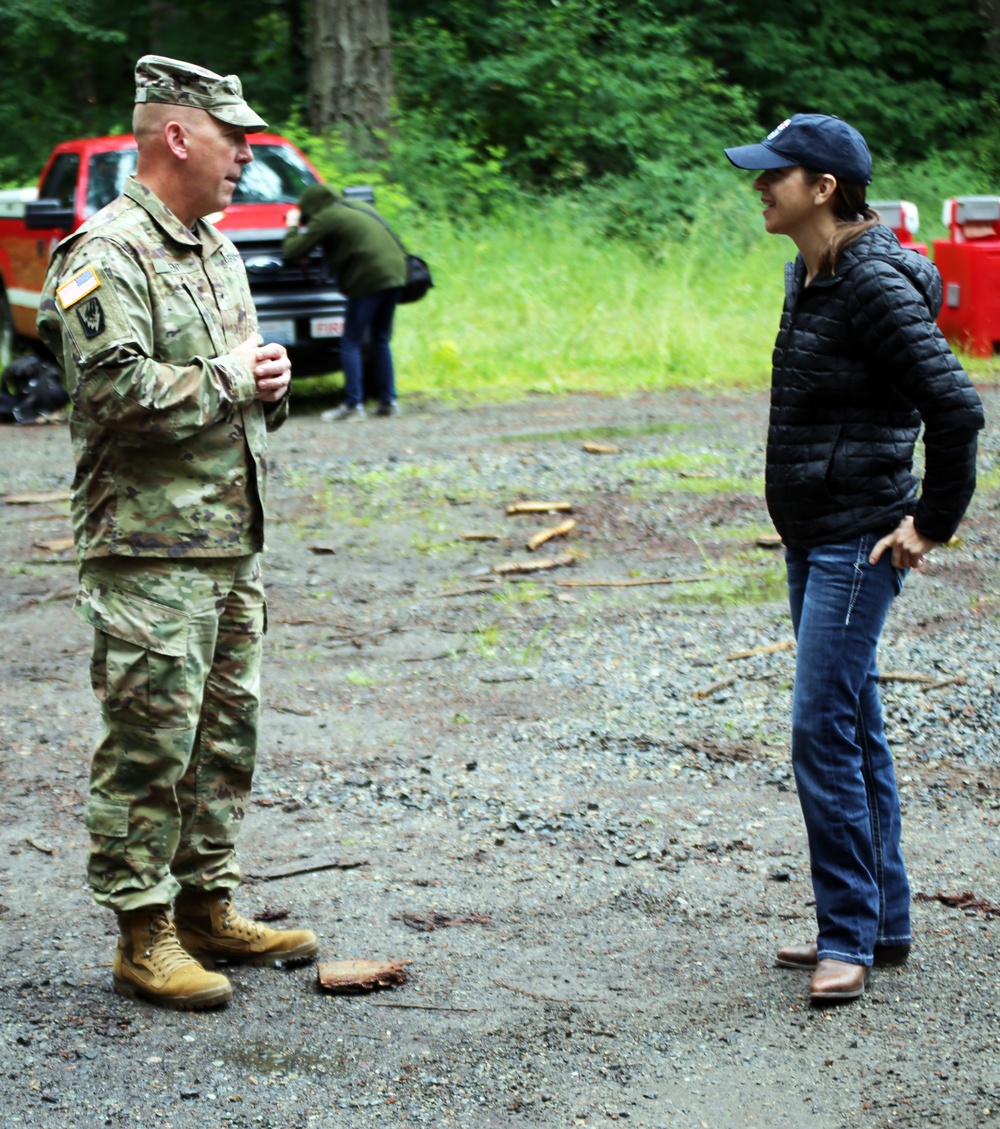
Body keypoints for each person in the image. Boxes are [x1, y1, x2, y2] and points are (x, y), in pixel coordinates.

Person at [37, 55, 318, 1010]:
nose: (246, 154)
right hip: (149, 549)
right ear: (178, 135)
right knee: (150, 744)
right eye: (234, 138)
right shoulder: (101, 255)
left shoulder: (216, 248)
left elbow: (230, 383)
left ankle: (206, 904)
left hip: (228, 540)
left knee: (222, 738)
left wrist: (266, 385)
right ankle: (141, 931)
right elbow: (110, 394)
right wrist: (238, 378)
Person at [724, 114, 984, 1003]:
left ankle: (847, 938)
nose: (759, 186)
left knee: (819, 730)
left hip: (857, 538)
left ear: (824, 187)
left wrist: (930, 524)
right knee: (854, 721)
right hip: (814, 533)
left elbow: (956, 409)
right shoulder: (812, 269)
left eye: (775, 174)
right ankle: (884, 922)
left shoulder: (872, 284)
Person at [282, 183, 407, 420]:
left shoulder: (328, 217)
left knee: (350, 340)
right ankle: (389, 402)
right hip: (397, 275)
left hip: (368, 279)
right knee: (380, 339)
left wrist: (292, 224)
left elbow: (292, 251)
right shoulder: (358, 206)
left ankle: (353, 405)